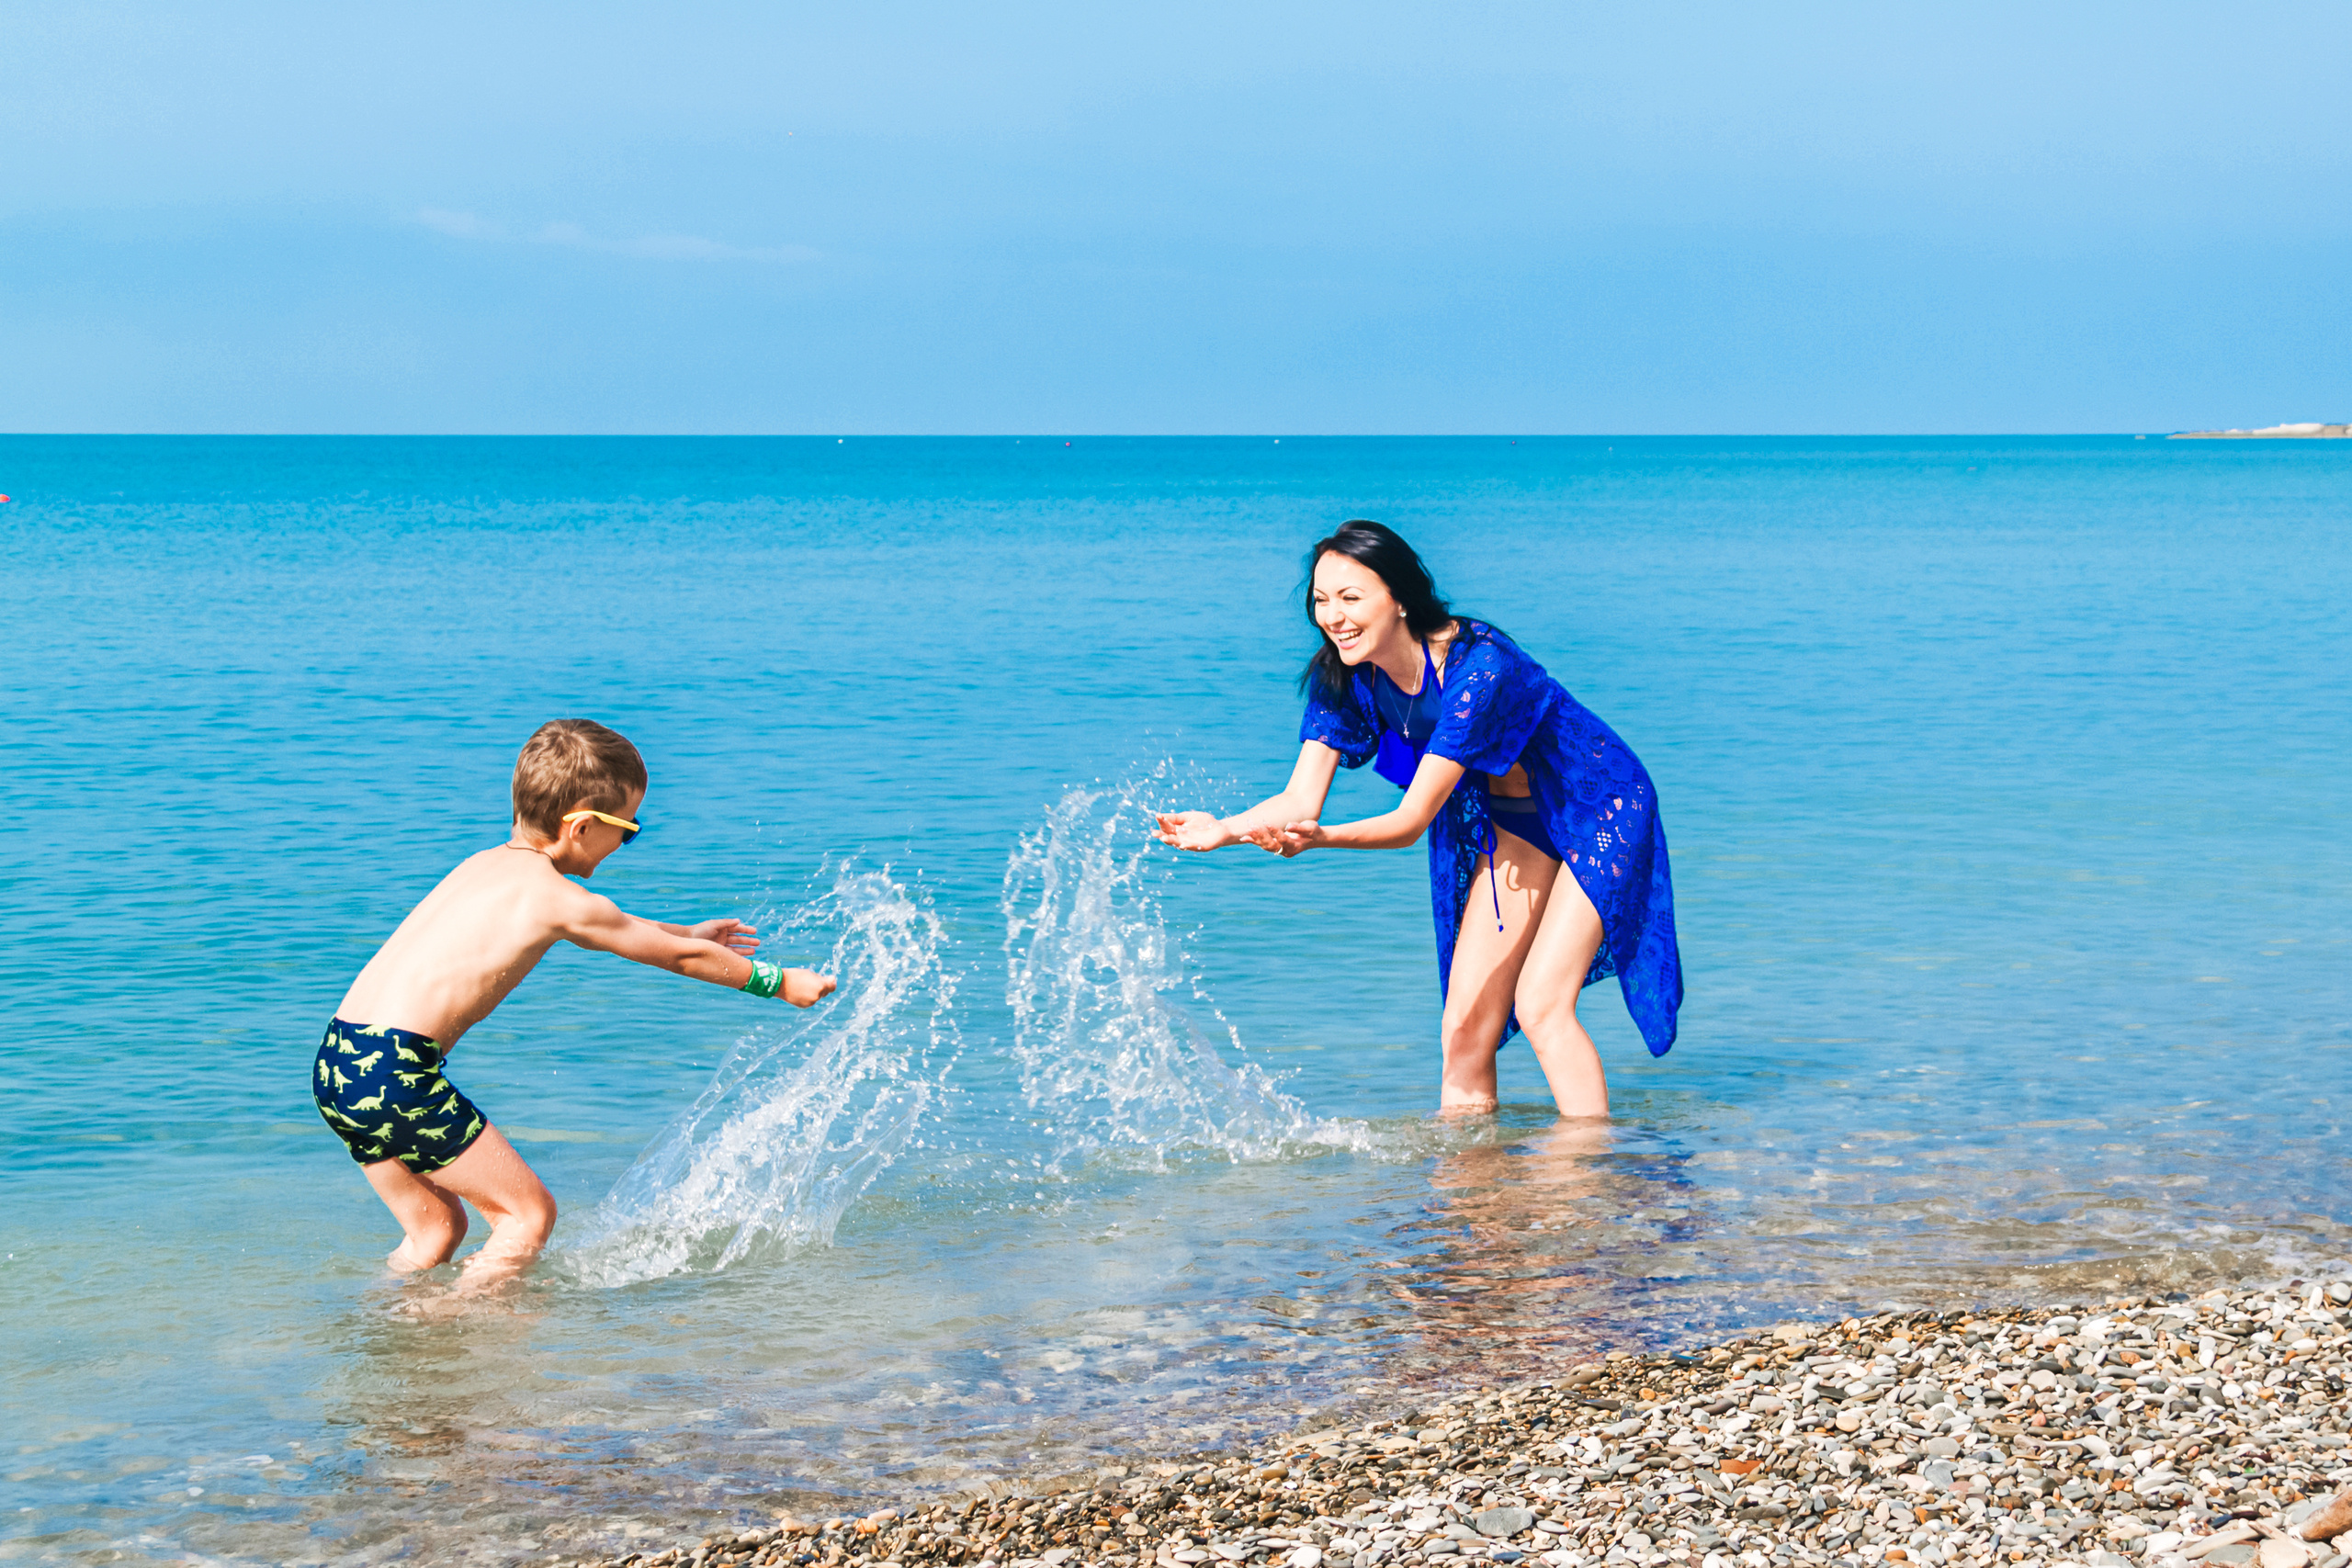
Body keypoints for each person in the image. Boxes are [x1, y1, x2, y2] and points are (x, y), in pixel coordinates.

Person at [1155, 521, 1680, 1117]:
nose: (1334, 616)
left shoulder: (1478, 669)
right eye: (1321, 600)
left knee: (1540, 1003)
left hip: (1598, 809)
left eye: (1351, 598)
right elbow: (1300, 800)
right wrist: (1227, 828)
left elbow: (1411, 819)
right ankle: (1467, 1192)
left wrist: (1322, 839)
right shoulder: (1345, 678)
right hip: (1514, 824)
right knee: (1461, 1028)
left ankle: (1586, 1183)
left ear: (1400, 598)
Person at [316, 718, 835, 1283]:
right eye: (628, 828)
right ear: (583, 827)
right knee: (528, 1217)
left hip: (341, 1062)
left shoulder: (483, 866)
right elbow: (668, 957)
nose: (629, 839)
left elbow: (616, 926)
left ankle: (386, 1328)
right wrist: (778, 982)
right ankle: (464, 1351)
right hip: (396, 1070)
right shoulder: (554, 895)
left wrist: (684, 930)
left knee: (436, 1229)